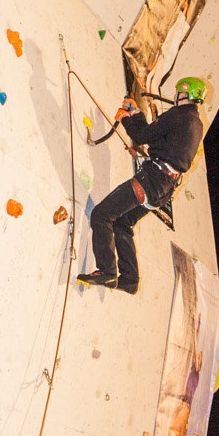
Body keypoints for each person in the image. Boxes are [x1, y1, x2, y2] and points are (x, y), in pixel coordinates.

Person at [78, 78, 207, 295]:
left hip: (152, 180)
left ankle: (107, 271)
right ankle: (129, 279)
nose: (175, 97)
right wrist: (137, 122)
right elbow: (169, 149)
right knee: (122, 225)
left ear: (183, 95)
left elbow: (142, 135)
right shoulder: (196, 124)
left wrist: (128, 119)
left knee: (101, 215)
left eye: (177, 93)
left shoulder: (178, 114)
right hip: (164, 189)